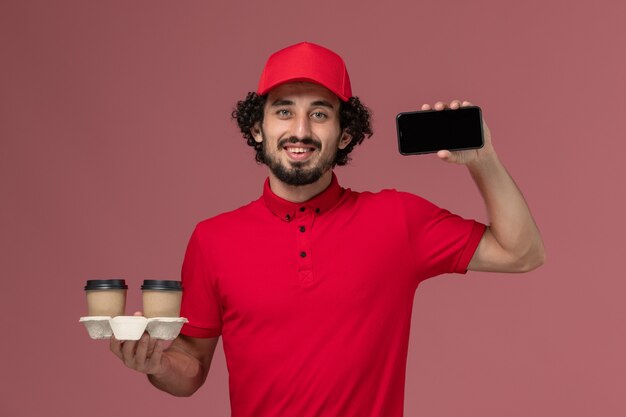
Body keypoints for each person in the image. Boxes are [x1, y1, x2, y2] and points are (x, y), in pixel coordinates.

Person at [110, 42, 545, 417]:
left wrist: (483, 159)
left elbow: (521, 252)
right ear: (257, 128)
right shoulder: (212, 239)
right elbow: (191, 367)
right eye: (284, 112)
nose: (300, 131)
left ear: (346, 135)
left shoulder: (397, 218)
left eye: (319, 114)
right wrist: (156, 363)